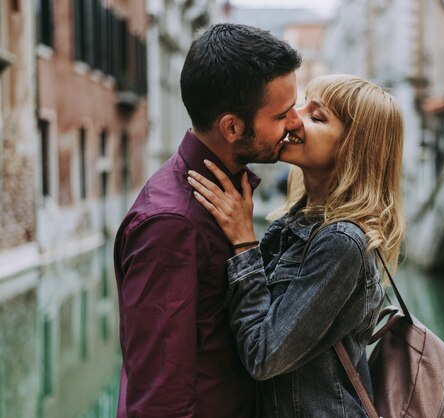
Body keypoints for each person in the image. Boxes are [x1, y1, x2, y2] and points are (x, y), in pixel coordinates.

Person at [187, 74, 405, 417]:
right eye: (302, 105)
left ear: (353, 148)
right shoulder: (296, 222)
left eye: (316, 117)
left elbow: (263, 356)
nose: (293, 118)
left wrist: (245, 243)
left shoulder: (342, 243)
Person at [113, 23, 302, 417]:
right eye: (282, 114)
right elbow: (158, 399)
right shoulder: (171, 224)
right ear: (232, 127)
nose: (295, 123)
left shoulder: (229, 197)